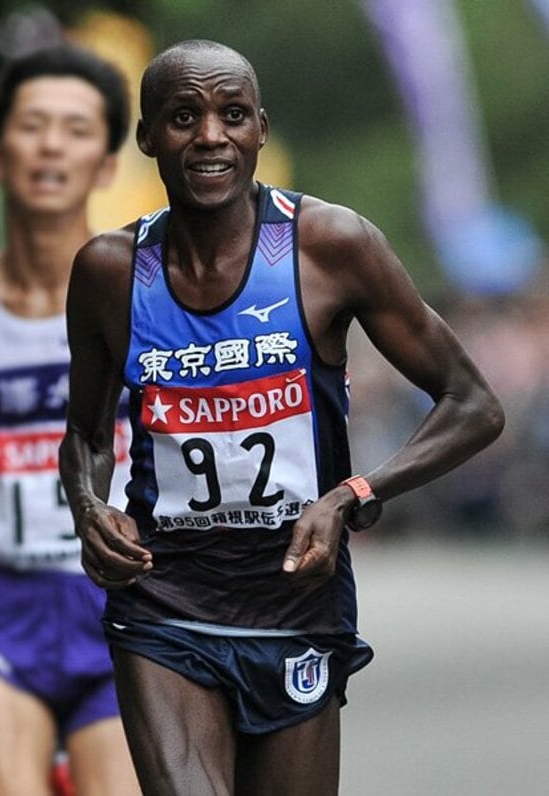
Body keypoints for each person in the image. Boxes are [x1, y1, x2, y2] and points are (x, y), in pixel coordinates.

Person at [59, 39, 504, 795]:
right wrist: (88, 506)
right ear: (146, 139)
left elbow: (474, 405)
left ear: (260, 130)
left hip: (296, 600)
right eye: (183, 117)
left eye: (232, 116)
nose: (209, 137)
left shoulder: (330, 247)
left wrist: (352, 496)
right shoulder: (109, 270)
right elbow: (88, 433)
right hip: (164, 602)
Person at [0, 44, 140, 794]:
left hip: (124, 597)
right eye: (33, 126)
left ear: (104, 165)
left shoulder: (146, 302)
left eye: (75, 129)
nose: (52, 145)